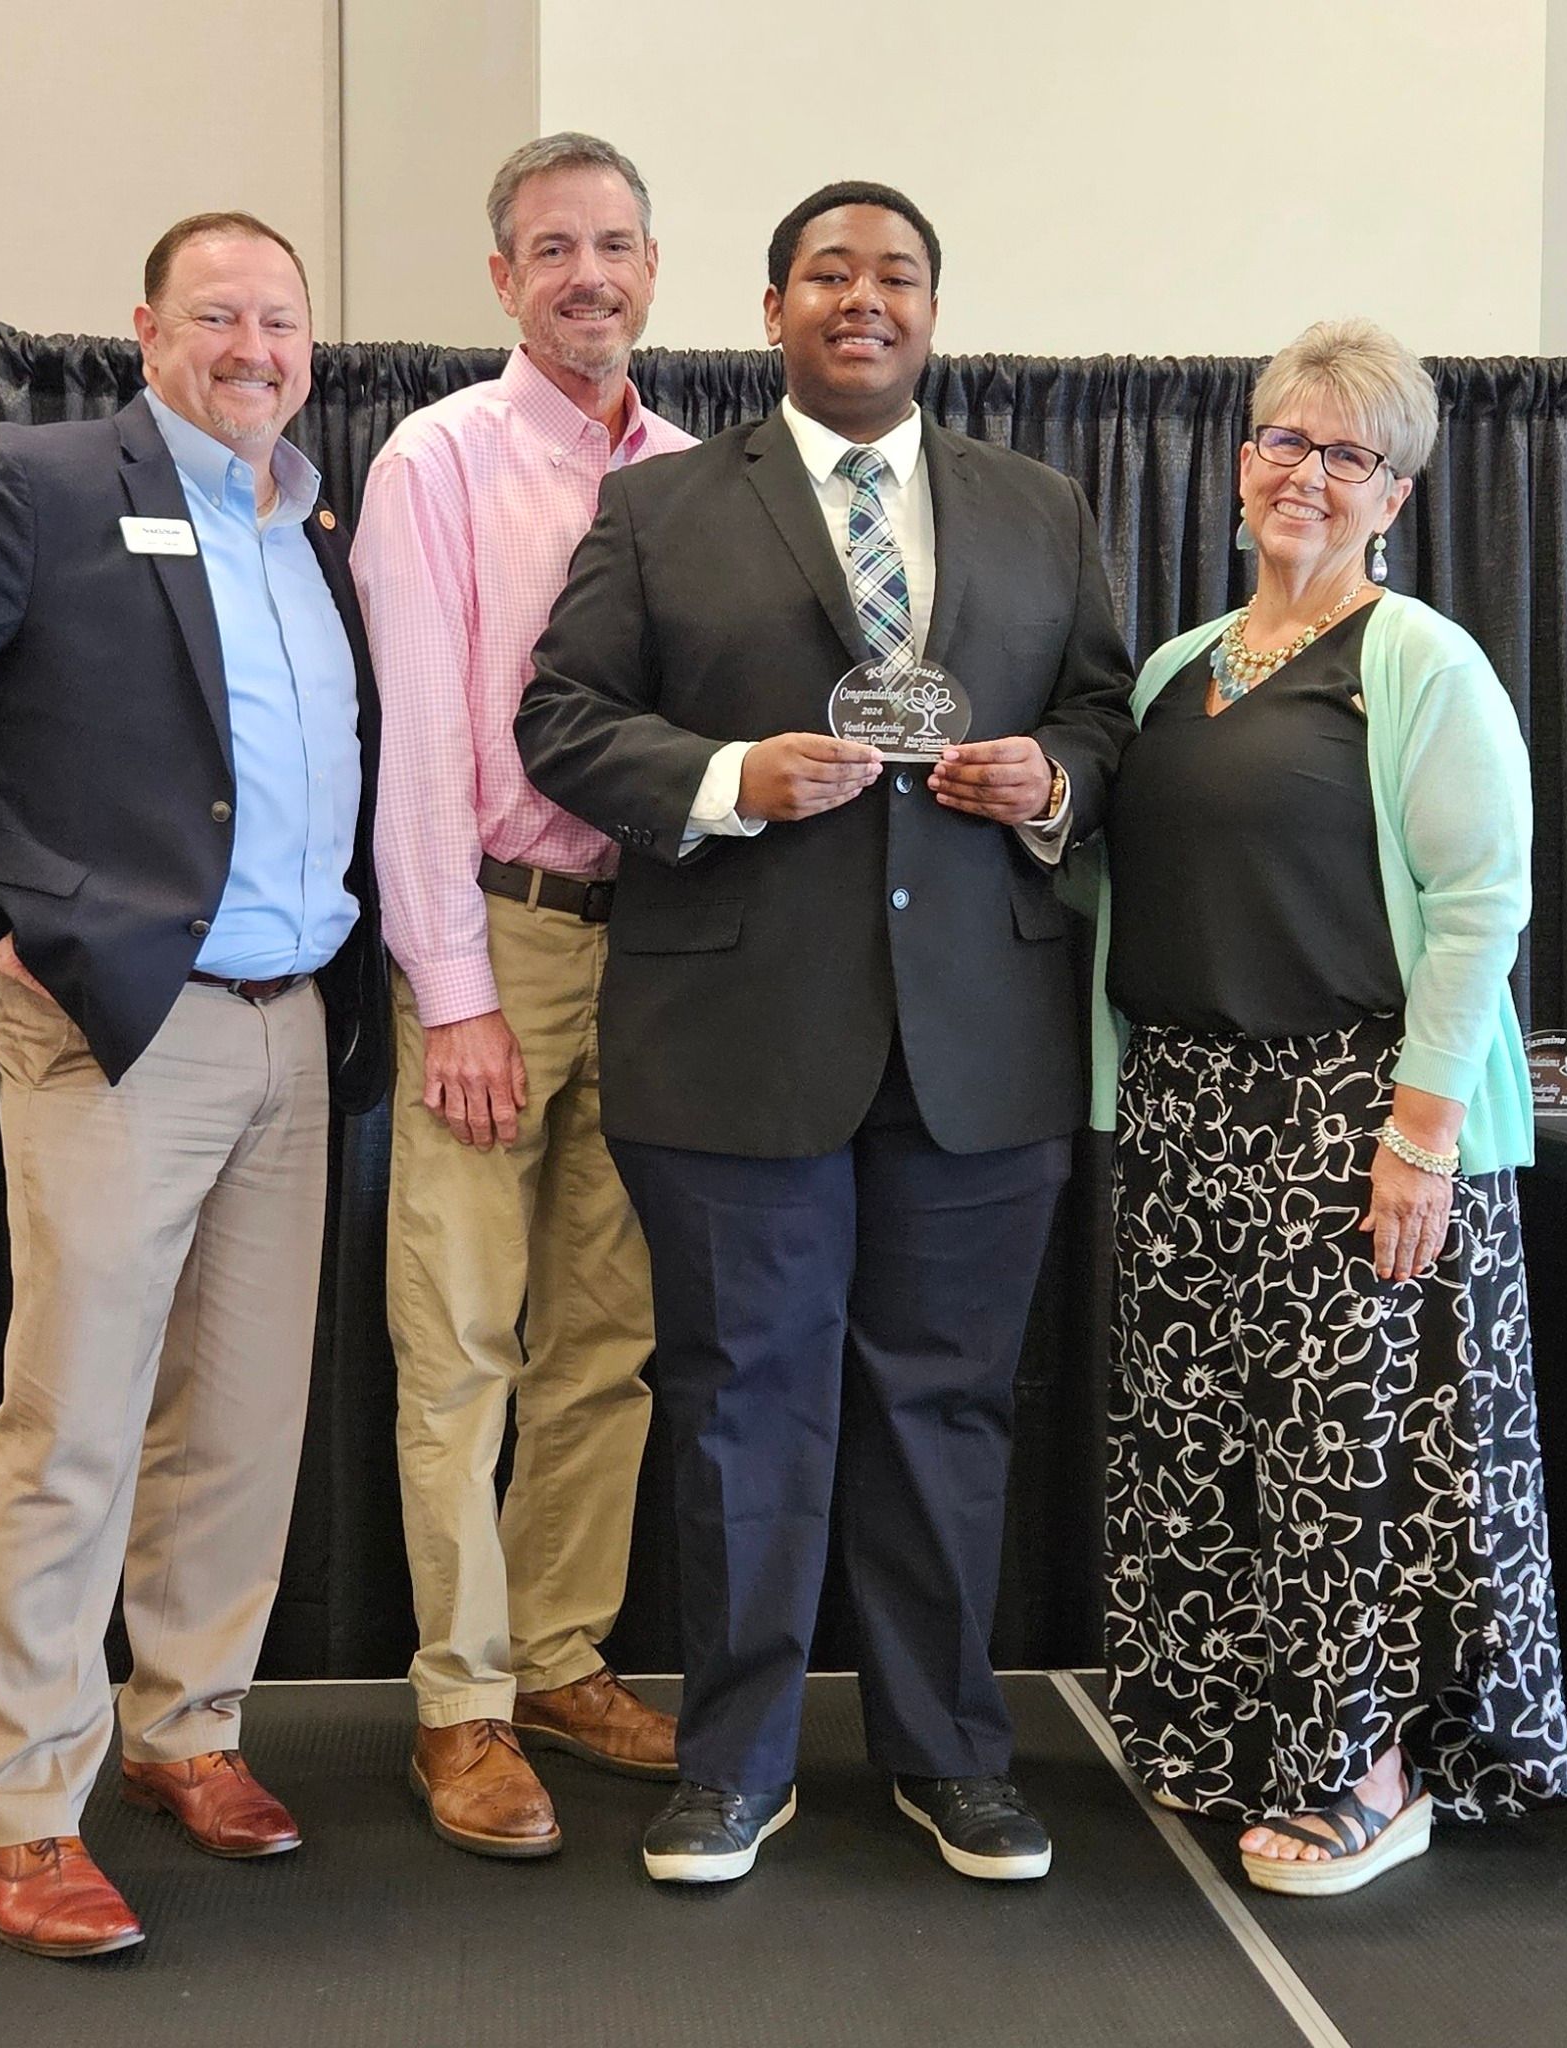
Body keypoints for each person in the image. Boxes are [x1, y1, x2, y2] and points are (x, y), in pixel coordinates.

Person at [515, 181, 1135, 1883]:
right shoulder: (657, 510)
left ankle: (951, 1753)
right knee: (741, 1404)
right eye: (829, 276)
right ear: (772, 305)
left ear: (933, 308)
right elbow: (558, 720)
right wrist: (724, 779)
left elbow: (1103, 710)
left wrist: (1056, 779)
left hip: (980, 1042)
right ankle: (739, 1761)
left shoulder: (1040, 506)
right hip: (731, 1034)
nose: (864, 300)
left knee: (947, 1407)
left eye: (898, 276)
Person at [0, 212, 388, 1955]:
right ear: (147, 330)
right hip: (124, 1019)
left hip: (297, 1015)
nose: (254, 345)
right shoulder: (43, 482)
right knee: (72, 1426)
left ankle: (185, 1729)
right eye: (218, 314)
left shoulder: (311, 517)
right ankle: (23, 1801)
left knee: (245, 1415)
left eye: (281, 319)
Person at [1092, 318, 1567, 1896]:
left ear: (1396, 496)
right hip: (1181, 1111)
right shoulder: (1173, 670)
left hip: (1351, 1113)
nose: (1305, 471)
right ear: (1238, 468)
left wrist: (1419, 1135)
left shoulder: (1416, 662)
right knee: (1200, 1443)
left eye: (1346, 452)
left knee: (1341, 1457)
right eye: (1281, 441)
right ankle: (1230, 1731)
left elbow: (1476, 908)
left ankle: (1364, 1769)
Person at [351, 133, 692, 1860]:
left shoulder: (704, 474)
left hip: (669, 960)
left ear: (654, 267)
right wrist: (458, 992)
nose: (586, 275)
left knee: (607, 1342)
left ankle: (562, 1658)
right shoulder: (439, 460)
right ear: (501, 280)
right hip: (497, 942)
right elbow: (417, 752)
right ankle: (463, 1706)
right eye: (550, 248)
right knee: (462, 1343)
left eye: (613, 244)